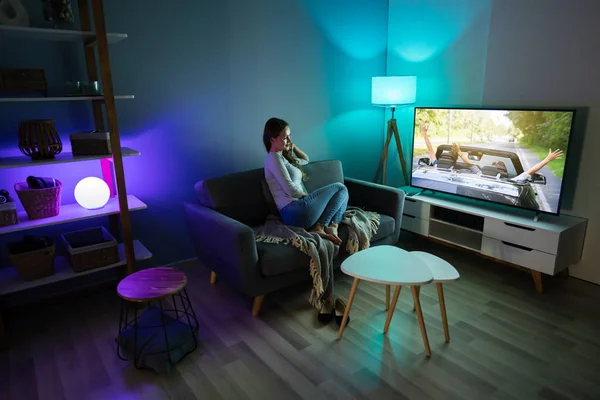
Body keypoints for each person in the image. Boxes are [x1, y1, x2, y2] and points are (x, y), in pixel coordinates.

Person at [263, 117, 349, 324]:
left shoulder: (283, 157)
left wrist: (292, 146)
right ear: (272, 139)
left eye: (289, 136)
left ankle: (326, 226)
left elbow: (306, 160)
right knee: (339, 188)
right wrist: (310, 199)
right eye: (284, 137)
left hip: (300, 210)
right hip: (294, 210)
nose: (287, 140)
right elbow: (291, 190)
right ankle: (327, 226)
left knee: (341, 193)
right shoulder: (273, 159)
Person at [451, 143, 563, 182]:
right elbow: (531, 171)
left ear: (492, 168)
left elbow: (469, 162)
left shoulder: (479, 174)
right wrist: (547, 159)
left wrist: (459, 152)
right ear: (504, 171)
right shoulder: (512, 181)